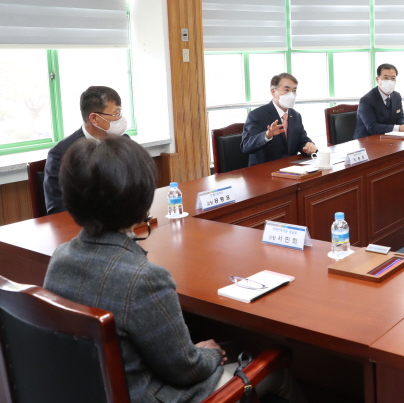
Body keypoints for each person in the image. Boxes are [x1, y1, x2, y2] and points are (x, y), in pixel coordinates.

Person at [43, 137, 293, 402]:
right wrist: (208, 353)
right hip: (150, 394)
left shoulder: (60, 258)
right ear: (142, 198)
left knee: (230, 347)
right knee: (277, 369)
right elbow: (186, 370)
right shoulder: (144, 279)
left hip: (92, 391)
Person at [44, 86, 127, 215]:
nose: (120, 119)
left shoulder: (124, 142)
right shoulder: (62, 153)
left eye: (120, 112)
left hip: (124, 221)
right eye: (115, 114)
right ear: (94, 118)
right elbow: (57, 208)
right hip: (86, 227)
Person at [241, 73, 316, 167]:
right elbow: (246, 146)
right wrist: (267, 135)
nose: (291, 95)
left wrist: (309, 146)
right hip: (264, 172)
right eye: (286, 90)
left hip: (291, 169)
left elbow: (302, 140)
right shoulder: (257, 115)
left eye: (294, 90)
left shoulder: (295, 115)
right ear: (273, 92)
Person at [353, 63, 404, 139]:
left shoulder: (396, 96)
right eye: (386, 78)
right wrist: (399, 128)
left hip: (389, 139)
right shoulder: (366, 100)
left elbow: (400, 116)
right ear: (378, 80)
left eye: (393, 78)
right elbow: (372, 127)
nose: (390, 81)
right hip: (367, 141)